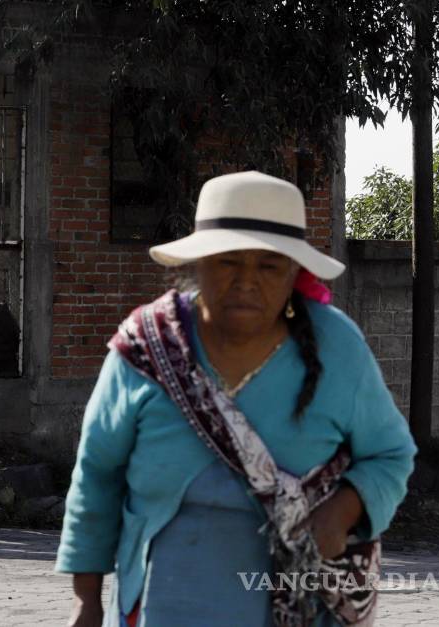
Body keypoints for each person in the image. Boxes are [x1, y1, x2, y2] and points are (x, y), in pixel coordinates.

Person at [56, 171, 417, 627]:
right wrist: (86, 600)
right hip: (161, 608)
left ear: (294, 275)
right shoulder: (146, 347)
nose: (247, 281)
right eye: (228, 261)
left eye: (269, 266)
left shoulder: (336, 346)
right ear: (198, 265)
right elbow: (97, 474)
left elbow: (390, 455)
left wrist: (342, 512)